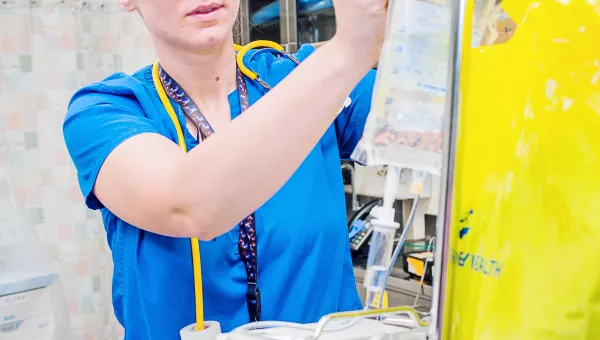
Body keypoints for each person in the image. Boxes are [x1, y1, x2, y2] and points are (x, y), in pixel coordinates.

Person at [63, 0, 388, 339]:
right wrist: (349, 51)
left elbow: (438, 121)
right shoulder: (105, 113)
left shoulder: (303, 77)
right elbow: (188, 204)